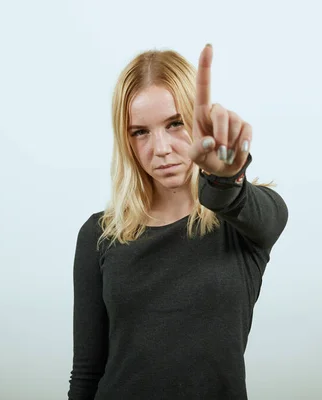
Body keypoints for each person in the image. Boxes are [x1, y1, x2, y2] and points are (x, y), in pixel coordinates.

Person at [67, 44, 288, 400]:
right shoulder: (100, 234)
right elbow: (87, 371)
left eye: (175, 124)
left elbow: (248, 207)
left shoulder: (243, 223)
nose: (161, 148)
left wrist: (225, 179)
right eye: (140, 131)